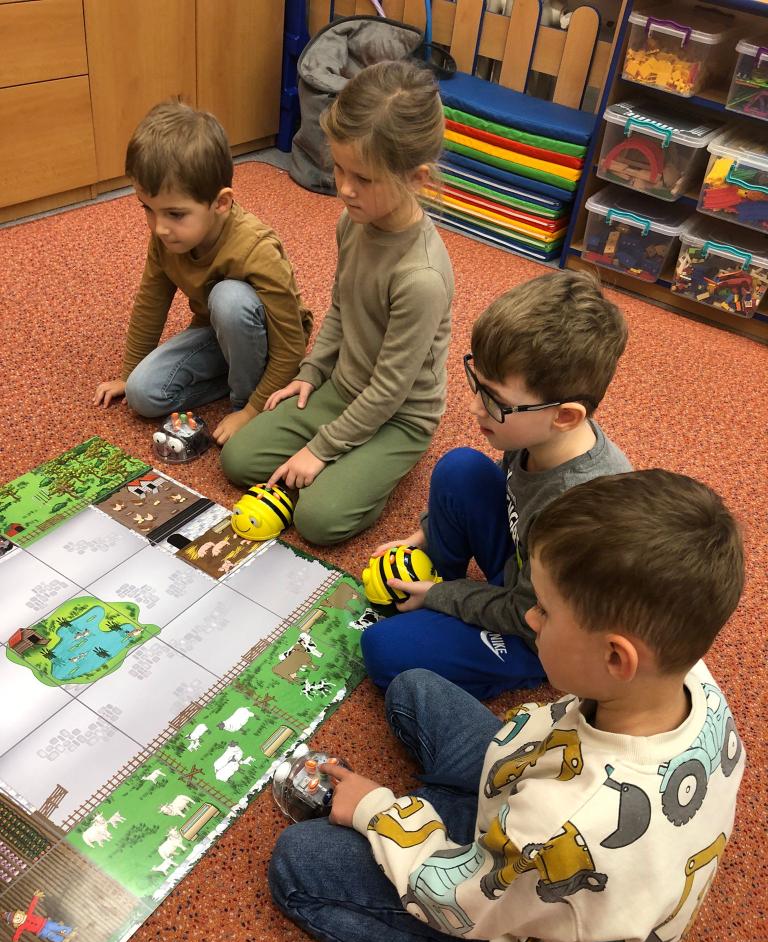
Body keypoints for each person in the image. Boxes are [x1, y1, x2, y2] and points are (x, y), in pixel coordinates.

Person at [269, 469, 746, 942]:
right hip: (533, 806)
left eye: (545, 610)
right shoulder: (686, 675)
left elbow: (457, 902)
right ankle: (448, 822)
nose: (529, 617)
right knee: (412, 688)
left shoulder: (560, 825)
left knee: (297, 863)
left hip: (523, 938)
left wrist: (377, 812)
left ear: (616, 658)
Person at [361, 269, 630, 698]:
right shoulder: (535, 436)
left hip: (541, 628)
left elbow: (525, 611)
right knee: (460, 467)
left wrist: (439, 596)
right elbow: (509, 497)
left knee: (383, 650)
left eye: (495, 400)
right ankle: (439, 587)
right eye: (478, 383)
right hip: (525, 568)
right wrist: (424, 537)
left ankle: (519, 668)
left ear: (565, 416)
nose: (474, 407)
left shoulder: (578, 512)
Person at [220, 61, 454, 545]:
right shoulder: (353, 221)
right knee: (238, 460)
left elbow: (390, 390)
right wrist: (311, 373)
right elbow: (341, 310)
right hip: (345, 388)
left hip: (400, 416)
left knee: (319, 520)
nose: (344, 188)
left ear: (416, 178)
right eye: (339, 166)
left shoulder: (421, 278)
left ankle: (376, 469)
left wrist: (322, 449)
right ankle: (345, 456)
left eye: (363, 177)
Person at [94, 100, 313, 445]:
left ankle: (248, 397)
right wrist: (129, 372)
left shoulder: (256, 248)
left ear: (221, 203)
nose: (159, 227)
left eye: (175, 214)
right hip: (216, 330)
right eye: (148, 210)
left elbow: (291, 344)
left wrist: (249, 411)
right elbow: (151, 302)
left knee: (229, 299)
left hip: (270, 341)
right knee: (141, 394)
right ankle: (237, 380)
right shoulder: (167, 238)